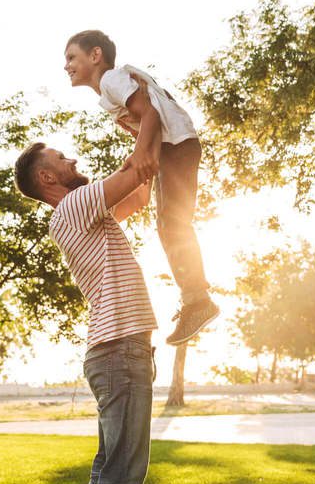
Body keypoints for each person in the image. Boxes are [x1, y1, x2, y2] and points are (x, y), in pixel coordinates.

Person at [14, 114, 158, 484]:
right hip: (119, 351)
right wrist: (150, 114)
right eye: (60, 158)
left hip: (116, 350)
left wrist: (146, 144)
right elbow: (138, 169)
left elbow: (139, 192)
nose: (71, 159)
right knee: (122, 474)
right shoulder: (74, 205)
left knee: (106, 473)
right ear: (48, 179)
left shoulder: (85, 215)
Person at [64, 29, 220, 346]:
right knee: (168, 224)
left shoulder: (110, 80)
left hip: (175, 145)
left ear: (95, 55)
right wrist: (140, 156)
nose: (66, 66)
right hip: (172, 147)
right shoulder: (110, 91)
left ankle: (198, 299)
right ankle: (194, 297)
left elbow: (149, 113)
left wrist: (141, 155)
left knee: (173, 223)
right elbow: (147, 115)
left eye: (71, 58)